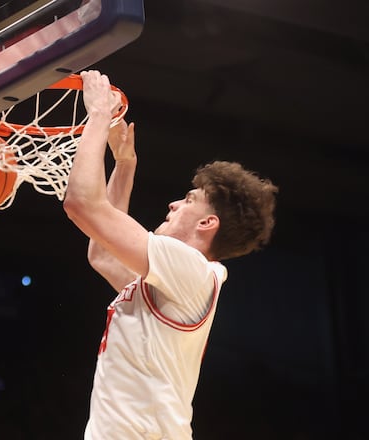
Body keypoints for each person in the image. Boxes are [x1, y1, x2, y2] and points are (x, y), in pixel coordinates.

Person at [63, 70, 278, 439]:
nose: (174, 203)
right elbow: (102, 254)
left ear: (208, 223)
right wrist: (124, 166)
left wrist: (98, 114)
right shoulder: (179, 280)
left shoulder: (191, 269)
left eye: (189, 200)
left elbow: (82, 204)